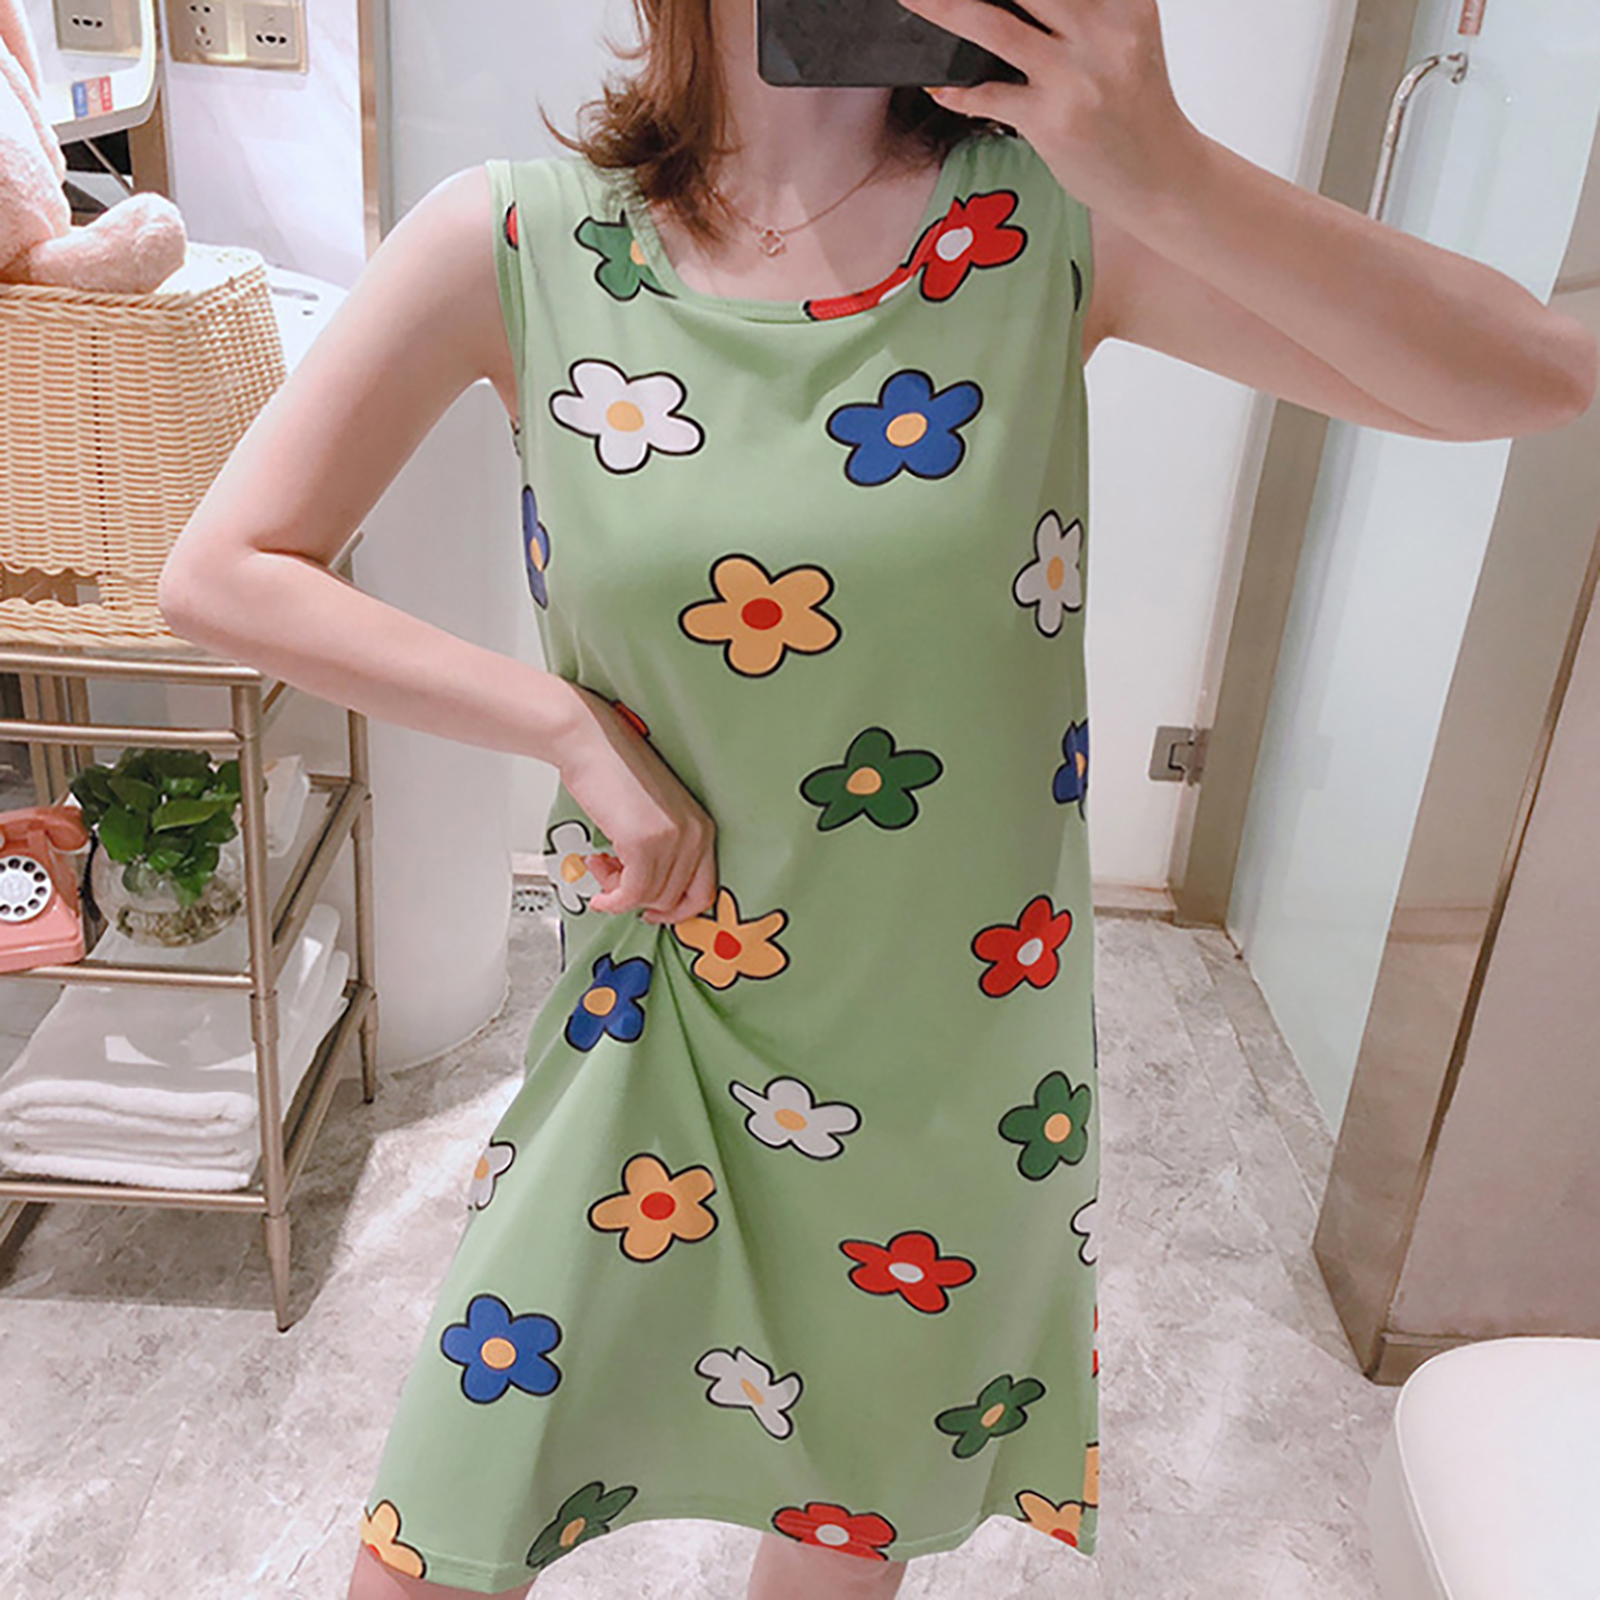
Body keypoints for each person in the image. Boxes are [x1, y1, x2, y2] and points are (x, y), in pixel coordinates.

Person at [157, 0, 1596, 1595]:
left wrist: (1166, 163)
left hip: (943, 1052)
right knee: (443, 1524)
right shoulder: (520, 241)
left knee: (845, 1509)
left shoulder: (1053, 223)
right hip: (665, 1001)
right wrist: (560, 726)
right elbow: (223, 571)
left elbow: (1534, 376)